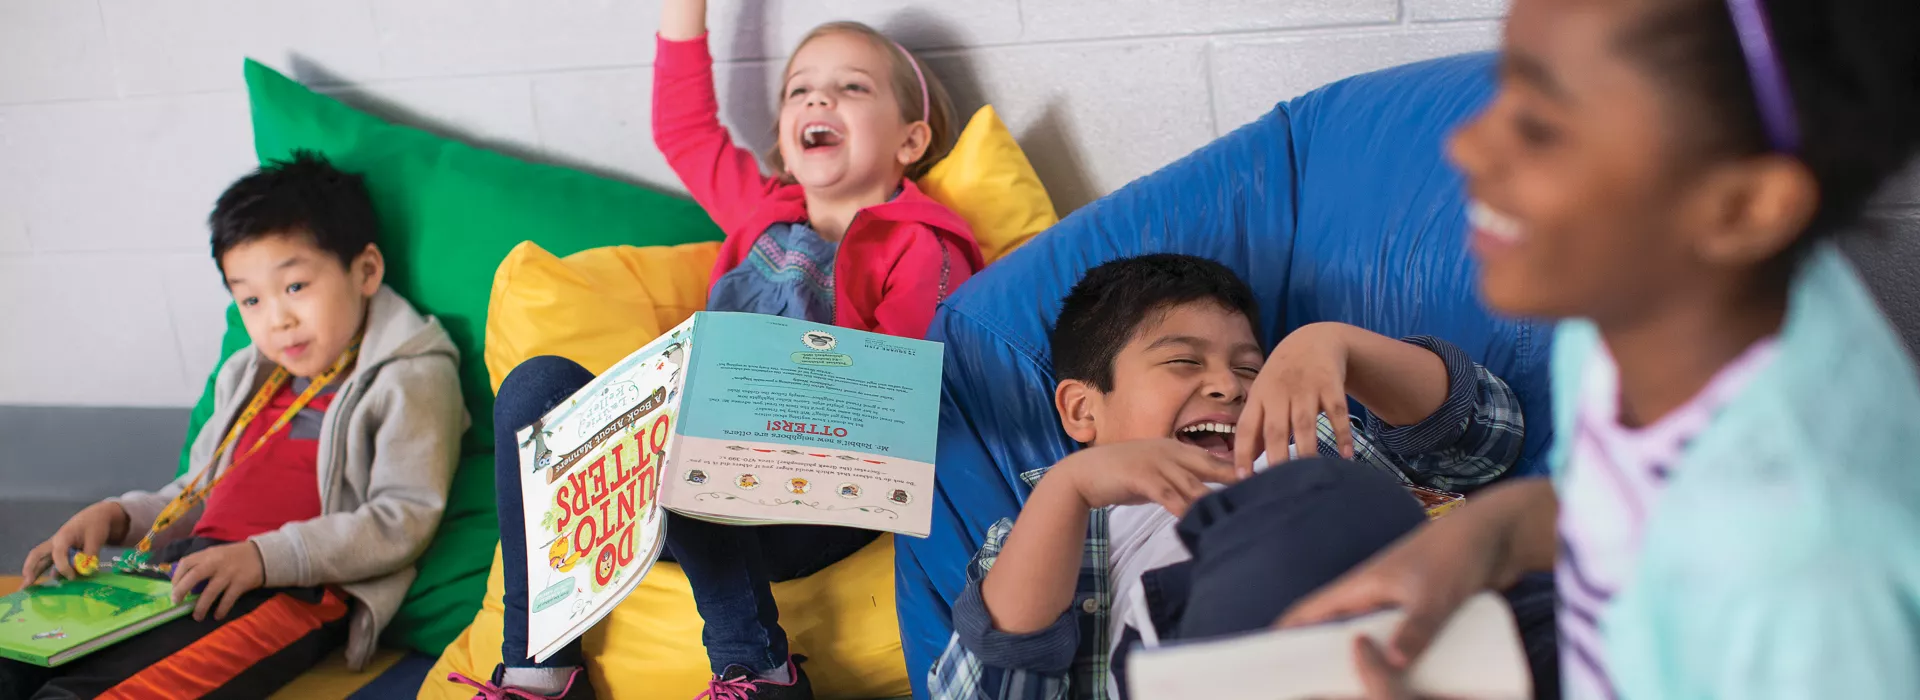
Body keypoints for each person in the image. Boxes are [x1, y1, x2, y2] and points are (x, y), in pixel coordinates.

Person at [1270, 0, 1920, 697]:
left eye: (1541, 127)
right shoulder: (1648, 303)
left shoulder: (1808, 579)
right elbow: (1644, 516)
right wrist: (1490, 533)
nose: (1465, 145)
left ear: (1744, 207)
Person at [452, 1, 983, 698]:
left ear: (911, 142)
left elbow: (909, 388)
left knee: (695, 420)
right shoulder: (760, 209)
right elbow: (684, 129)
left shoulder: (919, 242)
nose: (819, 96)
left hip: (813, 499)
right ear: (786, 141)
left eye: (853, 87)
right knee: (535, 387)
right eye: (800, 89)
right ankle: (538, 669)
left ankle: (756, 665)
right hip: (682, 493)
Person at [927, 254, 1529, 700]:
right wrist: (1070, 488)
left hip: (1437, 638)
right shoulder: (1051, 531)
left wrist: (1334, 346)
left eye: (1251, 367)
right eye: (1184, 361)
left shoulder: (1308, 437)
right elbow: (987, 688)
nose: (1229, 386)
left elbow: (1482, 443)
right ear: (1084, 410)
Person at [3, 151, 468, 699]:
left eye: (295, 287)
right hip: (179, 569)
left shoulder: (410, 376)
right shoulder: (248, 374)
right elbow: (196, 493)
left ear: (365, 271)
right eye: (250, 299)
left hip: (287, 591)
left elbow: (400, 520)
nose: (277, 319)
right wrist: (119, 516)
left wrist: (262, 557)